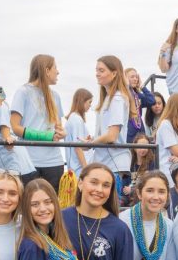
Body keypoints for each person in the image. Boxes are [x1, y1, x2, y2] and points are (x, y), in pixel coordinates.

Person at [61, 163, 134, 260]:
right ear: (80, 184)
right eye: (94, 182)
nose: (99, 189)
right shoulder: (60, 220)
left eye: (106, 185)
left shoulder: (120, 230)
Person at [10, 55, 67, 190]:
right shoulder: (22, 92)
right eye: (55, 68)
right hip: (29, 162)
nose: (58, 72)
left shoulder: (56, 96)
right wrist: (46, 136)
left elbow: (59, 128)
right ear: (47, 70)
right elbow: (15, 127)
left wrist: (62, 133)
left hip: (55, 162)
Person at [88, 55, 136, 203]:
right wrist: (93, 140)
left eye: (101, 70)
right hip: (107, 163)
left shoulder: (117, 98)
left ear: (114, 73)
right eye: (97, 70)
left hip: (113, 165)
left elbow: (112, 136)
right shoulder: (109, 98)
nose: (97, 73)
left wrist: (91, 143)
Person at [63, 89, 92, 174]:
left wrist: (87, 143)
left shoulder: (74, 118)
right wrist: (86, 170)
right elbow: (77, 147)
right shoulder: (76, 119)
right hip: (78, 169)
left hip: (75, 168)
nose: (90, 105)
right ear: (82, 101)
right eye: (89, 102)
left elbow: (78, 144)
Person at [125, 68, 156, 143]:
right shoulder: (123, 94)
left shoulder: (138, 95)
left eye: (136, 77)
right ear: (125, 78)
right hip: (129, 126)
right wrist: (126, 85)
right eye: (132, 77)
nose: (135, 79)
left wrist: (142, 87)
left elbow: (151, 101)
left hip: (139, 127)